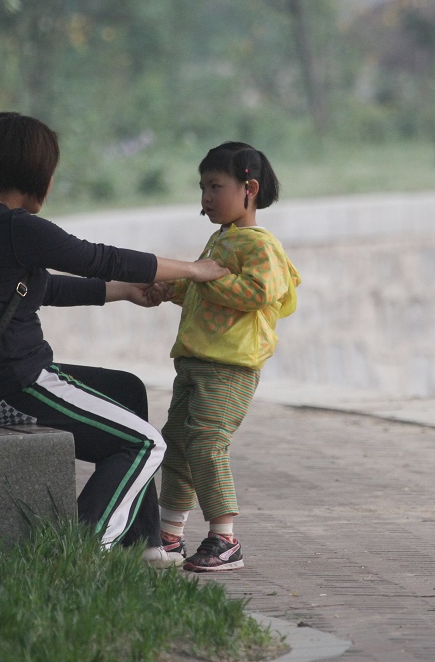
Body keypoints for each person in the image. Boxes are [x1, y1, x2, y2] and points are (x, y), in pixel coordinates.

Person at [0, 112, 229, 567]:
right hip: (15, 384)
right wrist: (192, 269)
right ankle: (80, 551)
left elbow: (44, 288)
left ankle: (144, 542)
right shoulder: (17, 227)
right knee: (145, 444)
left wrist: (126, 294)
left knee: (126, 390)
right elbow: (98, 259)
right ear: (36, 175)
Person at [147, 142, 301, 572]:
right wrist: (169, 289)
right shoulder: (221, 239)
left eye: (216, 186)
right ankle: (169, 536)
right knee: (176, 443)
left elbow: (259, 292)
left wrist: (204, 278)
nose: (206, 198)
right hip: (194, 362)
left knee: (208, 444)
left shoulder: (260, 245)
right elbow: (202, 287)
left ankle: (224, 538)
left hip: (230, 368)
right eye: (202, 187)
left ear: (249, 188)